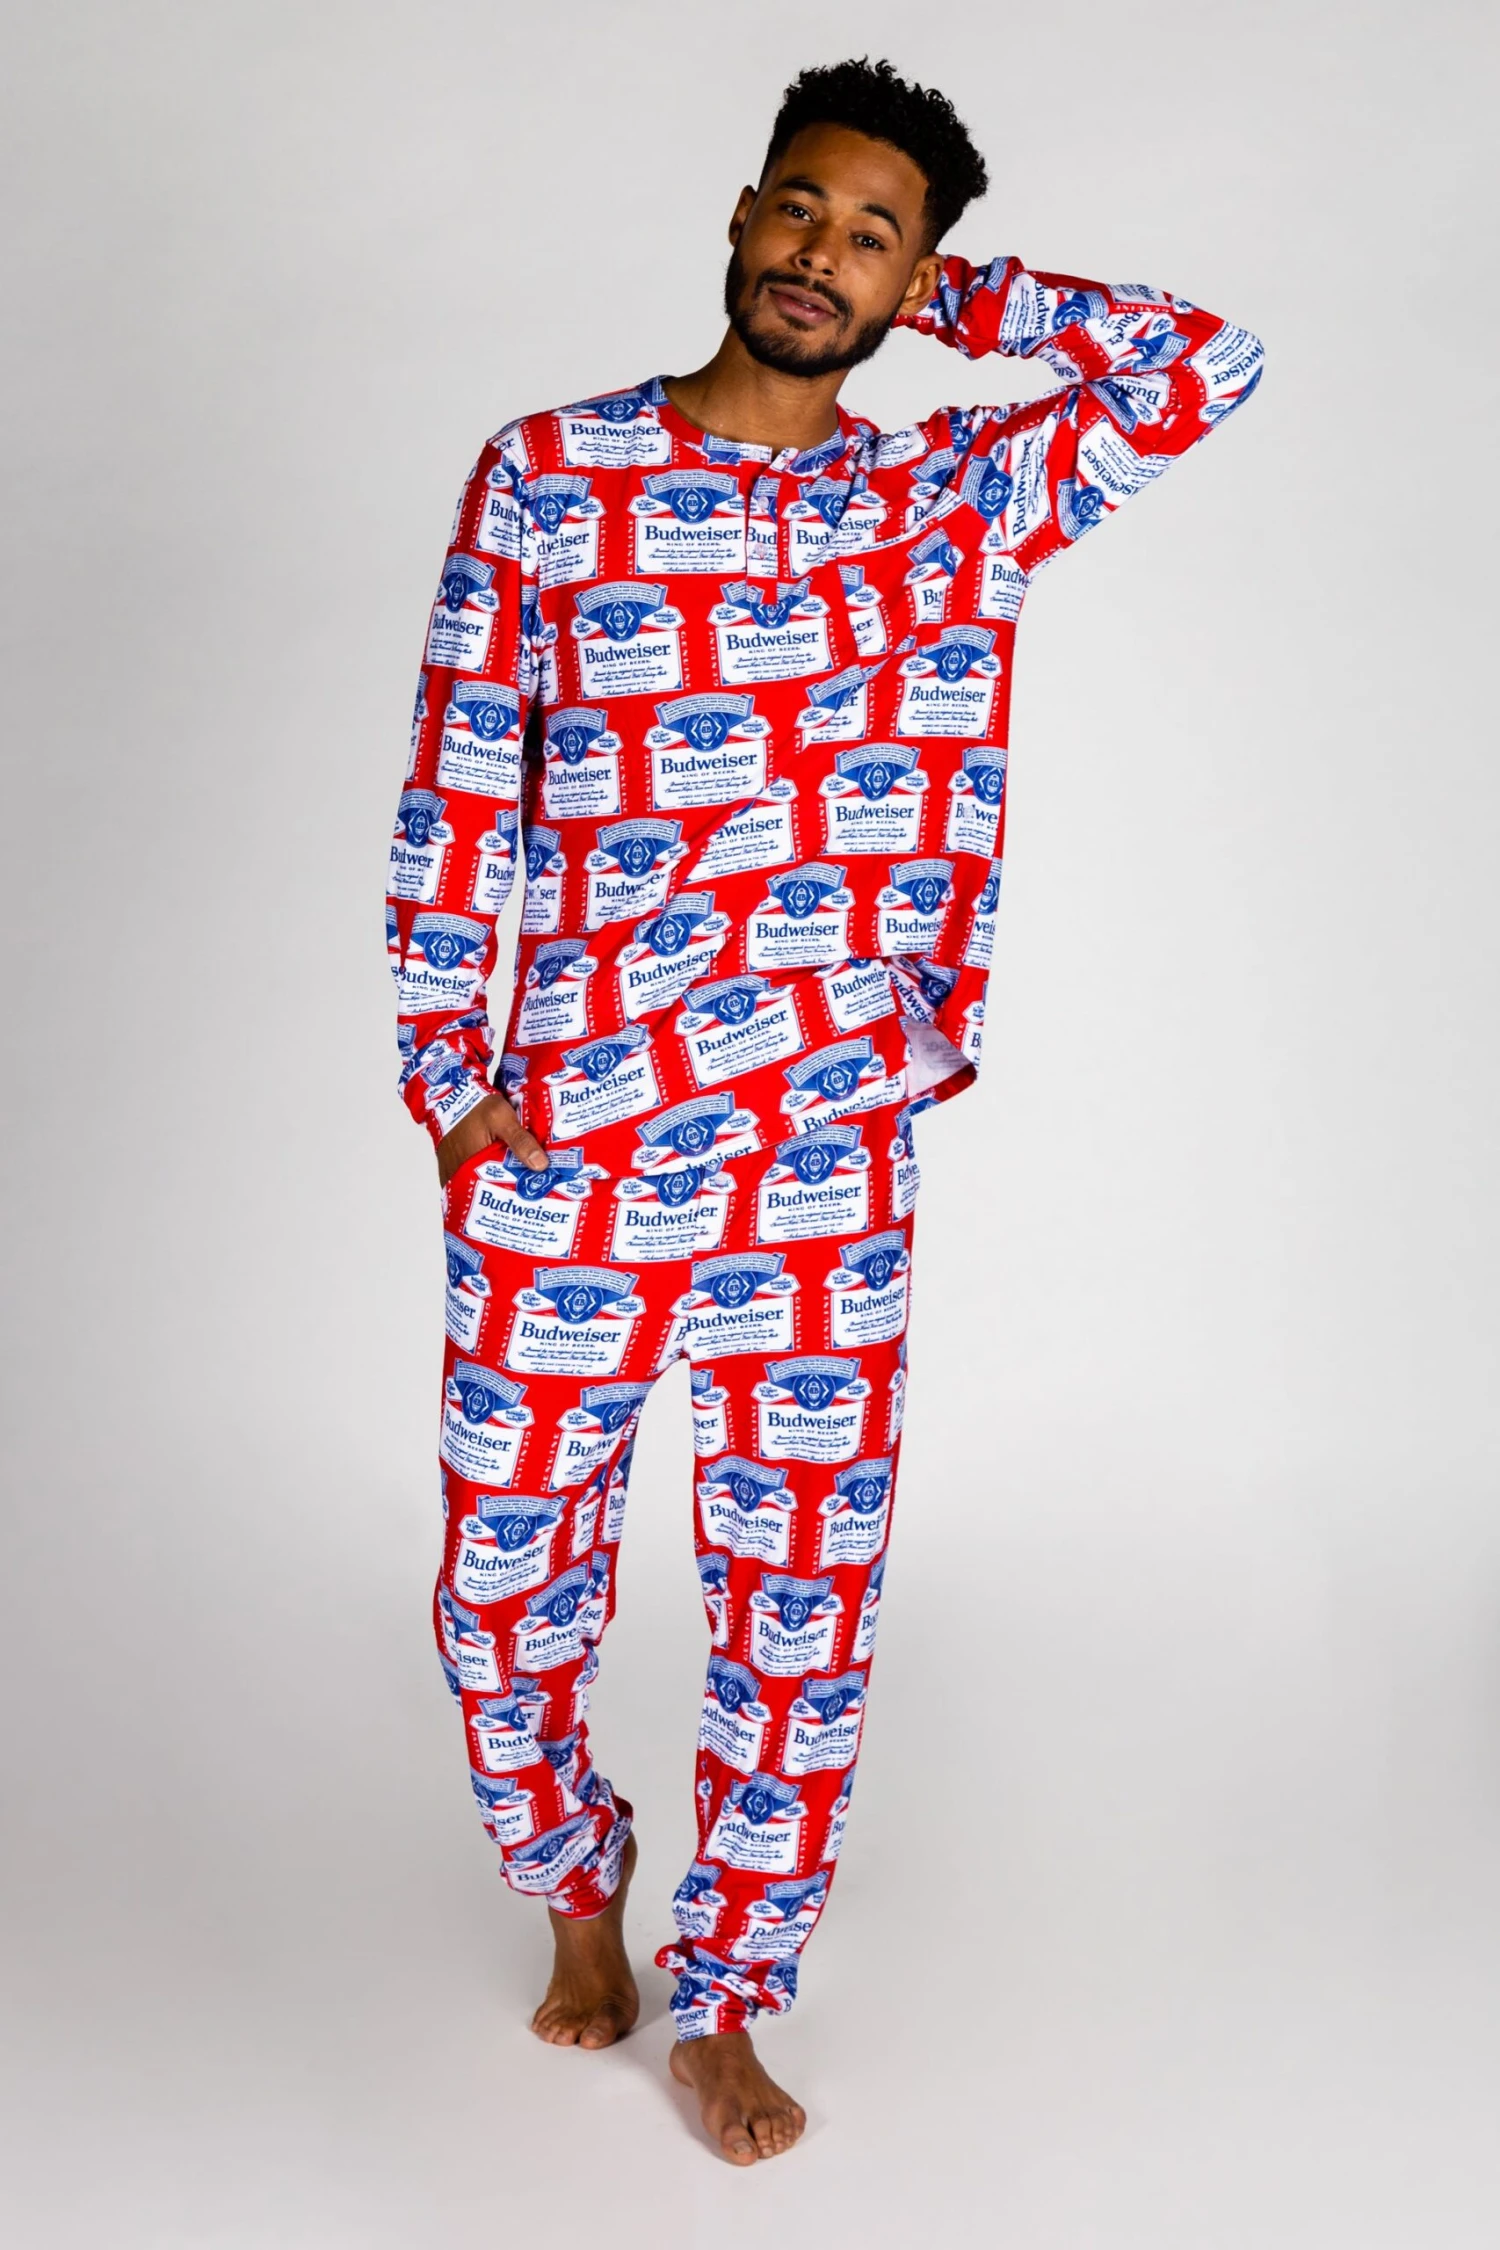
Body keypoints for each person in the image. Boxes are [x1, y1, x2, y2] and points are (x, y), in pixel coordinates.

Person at [386, 55, 1264, 2165]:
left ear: (913, 280)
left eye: (875, 235)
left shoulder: (954, 496)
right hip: (572, 1141)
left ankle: (730, 1992)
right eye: (801, 207)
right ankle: (578, 1895)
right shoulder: (547, 477)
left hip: (822, 1152)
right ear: (738, 210)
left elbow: (1209, 367)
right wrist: (447, 1078)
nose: (822, 253)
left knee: (804, 1606)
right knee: (501, 1586)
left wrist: (964, 295)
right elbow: (457, 782)